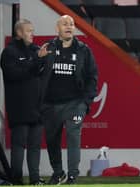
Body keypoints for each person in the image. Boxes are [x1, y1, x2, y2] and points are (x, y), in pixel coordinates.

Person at [41, 15, 98, 185]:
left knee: (74, 138)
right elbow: (37, 73)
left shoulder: (83, 50)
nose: (69, 26)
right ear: (57, 28)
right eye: (65, 24)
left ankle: (72, 176)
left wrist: (85, 102)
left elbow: (92, 76)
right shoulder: (48, 48)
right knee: (52, 140)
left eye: (71, 24)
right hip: (50, 104)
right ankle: (58, 173)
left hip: (75, 103)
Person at [0, 19, 48, 185]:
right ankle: (16, 179)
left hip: (38, 107)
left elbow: (42, 70)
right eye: (28, 31)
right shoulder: (9, 52)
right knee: (19, 144)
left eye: (32, 30)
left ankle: (35, 179)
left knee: (35, 146)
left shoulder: (36, 50)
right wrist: (36, 60)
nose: (32, 34)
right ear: (19, 33)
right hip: (19, 107)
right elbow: (14, 75)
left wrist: (42, 59)